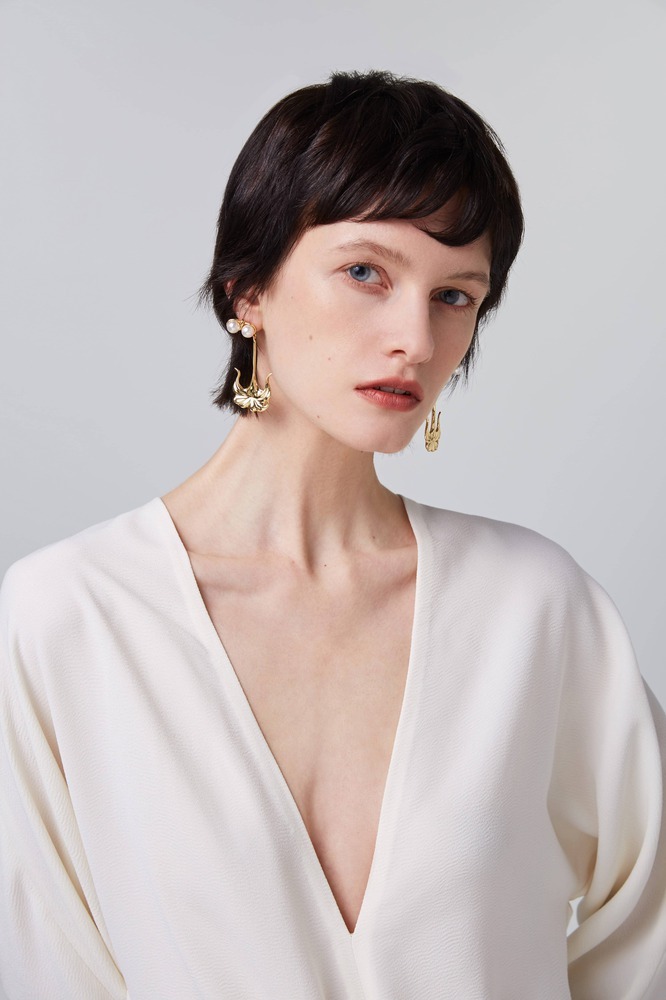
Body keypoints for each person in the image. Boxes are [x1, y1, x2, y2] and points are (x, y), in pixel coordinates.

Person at [0, 69, 665, 1000]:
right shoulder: (66, 619)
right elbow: (47, 968)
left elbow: (648, 931)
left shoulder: (535, 609)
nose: (415, 339)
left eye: (455, 295)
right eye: (365, 273)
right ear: (247, 291)